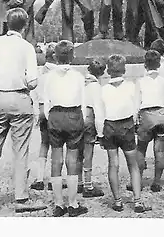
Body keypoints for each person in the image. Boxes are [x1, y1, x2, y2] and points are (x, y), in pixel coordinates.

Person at [0, 8, 46, 213]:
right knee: (21, 150)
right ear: (25, 26)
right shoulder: (26, 47)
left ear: (7, 23)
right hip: (19, 98)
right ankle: (21, 197)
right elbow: (32, 82)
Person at [98, 54, 151, 213]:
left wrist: (100, 134)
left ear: (108, 70)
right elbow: (136, 106)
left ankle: (118, 200)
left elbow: (100, 114)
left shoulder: (103, 89)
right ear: (124, 69)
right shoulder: (130, 86)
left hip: (109, 125)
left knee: (113, 164)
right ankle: (137, 200)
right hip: (126, 124)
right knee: (133, 164)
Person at [42, 40, 89, 217]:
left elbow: (46, 100)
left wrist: (51, 117)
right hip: (74, 114)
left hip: (55, 115)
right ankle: (73, 203)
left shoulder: (49, 77)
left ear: (55, 56)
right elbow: (83, 101)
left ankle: (58, 203)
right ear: (72, 56)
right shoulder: (78, 76)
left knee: (56, 160)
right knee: (72, 160)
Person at [131, 50, 164, 193]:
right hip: (162, 114)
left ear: (144, 64)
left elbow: (136, 102)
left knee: (141, 148)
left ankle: (138, 180)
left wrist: (135, 119)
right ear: (159, 64)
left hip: (146, 115)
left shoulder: (140, 82)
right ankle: (157, 181)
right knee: (160, 151)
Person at [30, 42, 58, 191]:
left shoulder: (40, 73)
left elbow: (34, 93)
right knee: (58, 146)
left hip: (42, 110)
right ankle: (56, 179)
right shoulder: (60, 73)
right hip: (56, 110)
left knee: (44, 144)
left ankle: (40, 178)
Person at [78, 59, 106, 198]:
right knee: (88, 152)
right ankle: (87, 185)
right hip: (88, 118)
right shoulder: (96, 87)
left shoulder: (80, 83)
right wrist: (101, 132)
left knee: (76, 151)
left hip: (76, 117)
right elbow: (98, 110)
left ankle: (77, 181)